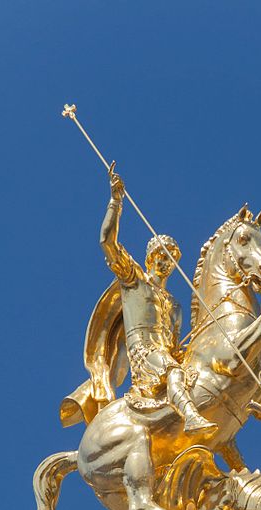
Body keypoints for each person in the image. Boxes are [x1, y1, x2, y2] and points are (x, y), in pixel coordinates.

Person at [100, 164, 217, 436]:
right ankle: (191, 417)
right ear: (151, 257)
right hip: (145, 354)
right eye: (162, 256)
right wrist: (115, 202)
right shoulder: (134, 280)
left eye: (172, 259)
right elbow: (107, 242)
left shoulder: (174, 305)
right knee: (174, 371)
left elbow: (175, 347)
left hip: (166, 355)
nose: (166, 262)